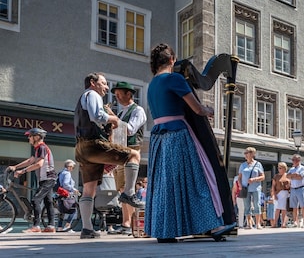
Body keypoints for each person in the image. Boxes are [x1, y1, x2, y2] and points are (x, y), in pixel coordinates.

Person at [145, 44, 236, 242]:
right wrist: (209, 110)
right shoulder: (174, 78)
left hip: (159, 139)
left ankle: (165, 231)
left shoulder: (152, 84)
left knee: (166, 186)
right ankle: (212, 225)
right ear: (172, 60)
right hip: (178, 135)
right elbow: (196, 109)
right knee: (197, 180)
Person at [74, 72, 144, 239]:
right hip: (94, 144)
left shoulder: (81, 99)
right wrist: (113, 119)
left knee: (88, 190)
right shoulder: (92, 94)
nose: (106, 87)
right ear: (93, 82)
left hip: (81, 147)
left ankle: (87, 229)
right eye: (104, 83)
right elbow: (96, 116)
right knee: (134, 155)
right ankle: (129, 193)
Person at [110, 81, 147, 235]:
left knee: (128, 189)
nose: (117, 97)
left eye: (119, 94)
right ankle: (126, 224)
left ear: (129, 94)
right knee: (121, 189)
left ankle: (129, 224)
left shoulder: (138, 110)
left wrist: (113, 118)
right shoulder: (121, 113)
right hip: (119, 152)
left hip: (131, 151)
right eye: (116, 95)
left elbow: (130, 130)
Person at [9, 128, 56, 233]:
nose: (28, 138)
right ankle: (51, 226)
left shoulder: (42, 147)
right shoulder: (39, 148)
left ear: (37, 137)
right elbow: (30, 161)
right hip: (46, 179)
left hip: (48, 178)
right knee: (48, 202)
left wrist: (22, 172)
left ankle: (36, 226)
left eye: (30, 136)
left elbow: (39, 164)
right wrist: (15, 167)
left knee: (36, 200)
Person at [238, 147, 265, 230]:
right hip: (245, 188)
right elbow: (240, 177)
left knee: (257, 205)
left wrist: (254, 179)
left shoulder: (258, 164)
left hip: (256, 187)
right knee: (247, 206)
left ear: (252, 154)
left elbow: (263, 176)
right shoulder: (243, 165)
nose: (245, 155)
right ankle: (249, 224)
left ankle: (257, 224)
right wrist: (240, 185)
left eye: (247, 153)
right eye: (245, 153)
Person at [56, 159, 80, 232]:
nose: (72, 169)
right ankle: (68, 225)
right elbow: (65, 184)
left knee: (62, 211)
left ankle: (59, 227)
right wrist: (73, 189)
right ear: (69, 166)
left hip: (61, 194)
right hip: (67, 194)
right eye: (72, 167)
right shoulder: (67, 173)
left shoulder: (61, 173)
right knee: (74, 210)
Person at [287, 154, 304, 228]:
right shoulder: (292, 169)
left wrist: (293, 176)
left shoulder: (303, 168)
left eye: (294, 160)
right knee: (294, 207)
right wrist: (294, 175)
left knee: (303, 206)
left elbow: (301, 177)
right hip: (293, 189)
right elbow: (287, 176)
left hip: (301, 188)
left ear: (298, 160)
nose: (293, 161)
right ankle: (295, 222)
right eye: (292, 160)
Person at [271, 162, 290, 228]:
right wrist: (274, 194)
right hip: (278, 193)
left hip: (285, 193)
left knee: (284, 209)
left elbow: (290, 185)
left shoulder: (287, 176)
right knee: (277, 209)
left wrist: (288, 186)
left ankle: (283, 223)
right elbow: (273, 186)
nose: (279, 169)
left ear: (284, 168)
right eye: (278, 168)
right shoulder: (276, 176)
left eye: (280, 168)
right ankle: (275, 223)